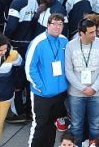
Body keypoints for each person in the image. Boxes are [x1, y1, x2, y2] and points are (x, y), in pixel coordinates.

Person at [25, 13, 69, 147]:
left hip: (59, 94)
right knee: (39, 126)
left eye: (60, 24)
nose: (57, 27)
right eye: (54, 24)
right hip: (41, 94)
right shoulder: (38, 42)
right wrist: (41, 87)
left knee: (51, 126)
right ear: (48, 25)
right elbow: (29, 68)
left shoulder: (64, 41)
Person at [65, 17, 99, 145]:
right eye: (90, 32)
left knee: (96, 127)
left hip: (97, 92)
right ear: (81, 33)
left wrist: (94, 88)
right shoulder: (70, 45)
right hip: (76, 93)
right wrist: (82, 88)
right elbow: (68, 70)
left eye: (95, 31)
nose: (94, 34)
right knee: (76, 126)